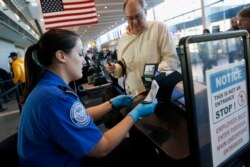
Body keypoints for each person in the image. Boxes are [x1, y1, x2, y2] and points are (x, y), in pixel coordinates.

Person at [17, 28, 158, 167]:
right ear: (61, 56)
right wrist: (135, 114)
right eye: (79, 54)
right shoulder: (56, 97)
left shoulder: (47, 89)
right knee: (140, 149)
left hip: (60, 157)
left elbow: (77, 117)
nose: (84, 61)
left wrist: (111, 103)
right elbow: (103, 148)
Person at [106, 0, 179, 96]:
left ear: (145, 12)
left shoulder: (159, 28)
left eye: (138, 16)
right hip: (133, 95)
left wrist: (152, 75)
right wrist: (115, 69)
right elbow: (123, 66)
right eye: (130, 18)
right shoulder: (123, 39)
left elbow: (171, 60)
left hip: (157, 93)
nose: (135, 21)